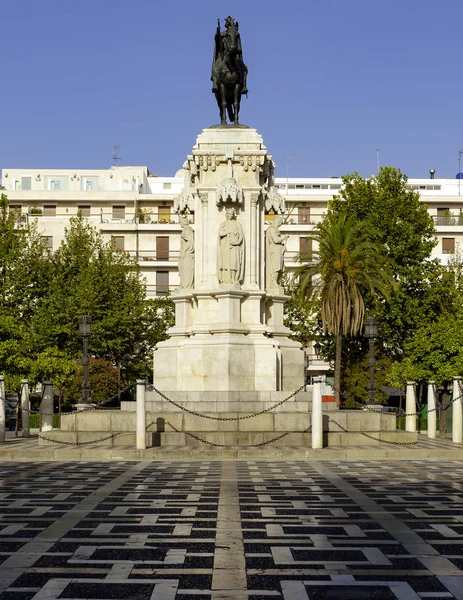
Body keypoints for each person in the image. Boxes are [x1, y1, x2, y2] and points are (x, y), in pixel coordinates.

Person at [211, 16, 248, 94]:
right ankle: (215, 84)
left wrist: (235, 50)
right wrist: (217, 34)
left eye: (232, 24)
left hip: (235, 56)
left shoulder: (236, 35)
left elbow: (239, 48)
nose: (231, 25)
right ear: (227, 25)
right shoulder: (222, 35)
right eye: (230, 24)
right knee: (216, 67)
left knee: (245, 69)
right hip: (224, 56)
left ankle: (244, 86)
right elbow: (218, 44)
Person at [217, 207, 244, 284]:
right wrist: (227, 231)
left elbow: (241, 235)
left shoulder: (237, 224)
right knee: (226, 263)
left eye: (232, 214)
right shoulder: (224, 224)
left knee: (234, 263)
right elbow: (220, 233)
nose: (231, 215)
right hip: (225, 247)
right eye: (229, 213)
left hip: (235, 247)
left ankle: (234, 279)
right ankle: (226, 279)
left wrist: (237, 242)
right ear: (226, 215)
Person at [266, 215, 288, 288]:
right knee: (276, 266)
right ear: (278, 221)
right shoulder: (271, 229)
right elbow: (275, 240)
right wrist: (284, 237)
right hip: (274, 250)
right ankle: (273, 282)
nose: (279, 225)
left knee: (280, 267)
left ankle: (276, 282)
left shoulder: (276, 230)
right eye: (280, 224)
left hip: (278, 250)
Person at [178, 215, 194, 289]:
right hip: (185, 252)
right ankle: (185, 285)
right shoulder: (188, 229)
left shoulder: (186, 230)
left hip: (186, 253)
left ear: (184, 222)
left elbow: (190, 242)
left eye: (180, 221)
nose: (179, 223)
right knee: (182, 268)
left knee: (185, 269)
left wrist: (184, 251)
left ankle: (186, 285)